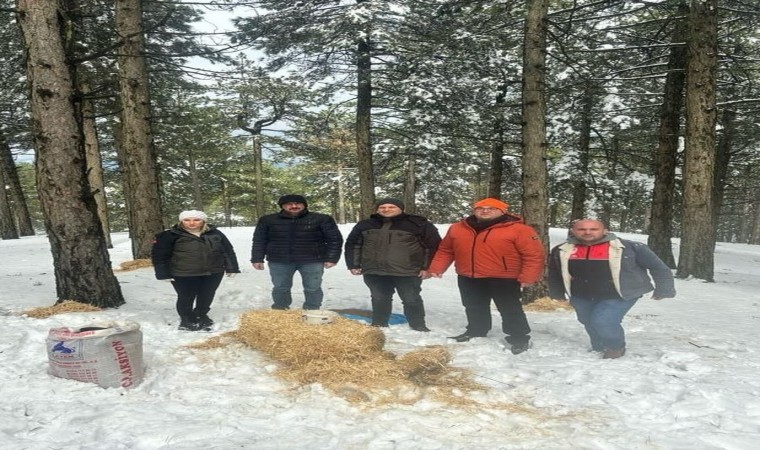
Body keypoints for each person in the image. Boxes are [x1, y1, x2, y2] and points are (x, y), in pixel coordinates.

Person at [428, 198, 545, 354]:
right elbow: (446, 250)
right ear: (474, 210)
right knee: (473, 305)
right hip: (469, 275)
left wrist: (528, 276)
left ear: (503, 211)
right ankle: (476, 330)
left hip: (504, 277)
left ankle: (519, 337)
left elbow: (534, 255)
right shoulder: (458, 228)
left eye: (492, 208)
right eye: (480, 208)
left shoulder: (520, 230)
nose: (485, 211)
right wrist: (437, 267)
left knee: (510, 308)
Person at [548, 218, 676, 359]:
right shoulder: (562, 249)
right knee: (587, 319)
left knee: (604, 320)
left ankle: (615, 347)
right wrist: (557, 292)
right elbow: (555, 272)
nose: (587, 232)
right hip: (581, 293)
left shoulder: (630, 247)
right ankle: (599, 345)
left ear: (605, 231)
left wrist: (664, 289)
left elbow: (659, 267)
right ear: (573, 231)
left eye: (593, 229)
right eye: (582, 229)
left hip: (620, 293)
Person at [345, 198, 442, 331]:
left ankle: (418, 324)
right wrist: (353, 264)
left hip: (407, 271)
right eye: (382, 207)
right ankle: (379, 323)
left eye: (391, 207)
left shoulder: (418, 224)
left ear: (401, 208)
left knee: (411, 298)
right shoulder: (366, 224)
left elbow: (433, 247)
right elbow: (353, 244)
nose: (386, 209)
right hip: (374, 270)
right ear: (377, 209)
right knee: (379, 298)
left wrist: (427, 268)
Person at [152, 210, 240, 331]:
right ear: (181, 221)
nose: (191, 223)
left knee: (207, 295)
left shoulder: (215, 233)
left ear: (203, 221)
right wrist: (163, 273)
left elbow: (227, 250)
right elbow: (160, 255)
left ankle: (201, 314)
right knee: (186, 296)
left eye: (196, 220)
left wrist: (232, 267)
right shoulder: (170, 235)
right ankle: (186, 319)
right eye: (187, 220)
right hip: (183, 273)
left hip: (213, 271)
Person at [251, 194, 343, 310]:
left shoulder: (322, 219)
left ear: (304, 205)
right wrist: (257, 258)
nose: (294, 206)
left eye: (298, 203)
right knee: (280, 287)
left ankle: (312, 310)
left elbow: (334, 239)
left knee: (313, 287)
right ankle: (280, 310)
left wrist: (332, 258)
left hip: (312, 260)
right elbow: (259, 240)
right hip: (279, 260)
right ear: (282, 206)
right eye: (289, 204)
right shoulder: (268, 220)